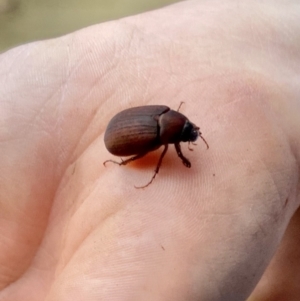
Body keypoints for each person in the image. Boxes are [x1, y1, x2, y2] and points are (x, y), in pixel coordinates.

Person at [0, 0, 299, 300]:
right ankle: (125, 163)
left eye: (188, 130)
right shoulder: (160, 134)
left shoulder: (167, 118)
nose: (190, 134)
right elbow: (168, 152)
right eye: (187, 132)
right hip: (121, 137)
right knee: (152, 159)